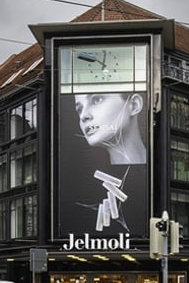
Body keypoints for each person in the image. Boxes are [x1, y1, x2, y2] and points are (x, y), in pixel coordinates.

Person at [62, 92, 148, 235]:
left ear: (134, 105)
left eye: (97, 99)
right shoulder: (80, 187)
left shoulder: (148, 178)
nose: (84, 116)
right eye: (79, 109)